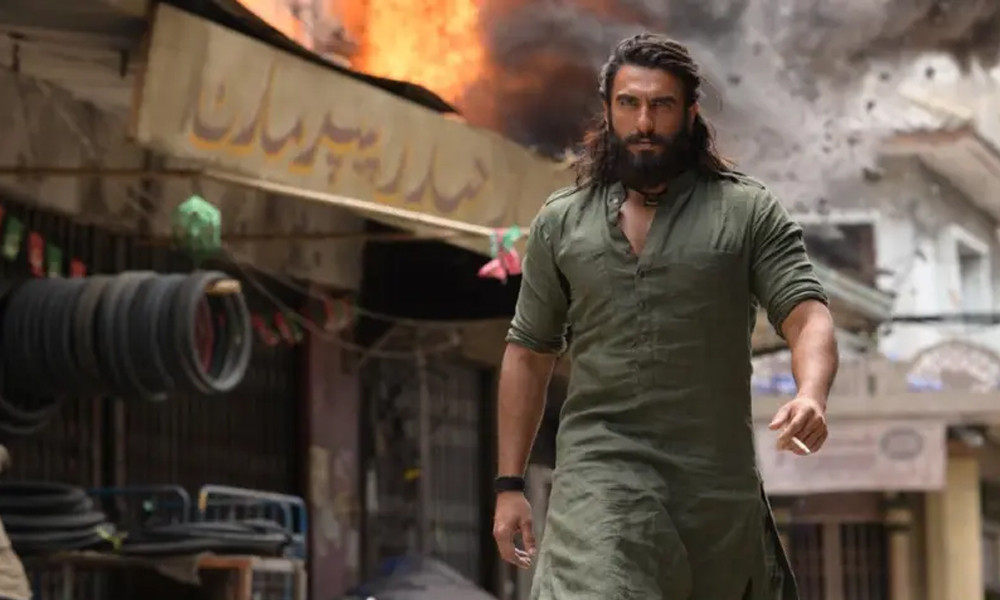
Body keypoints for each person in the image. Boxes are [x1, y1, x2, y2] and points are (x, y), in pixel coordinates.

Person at [492, 33, 838, 600]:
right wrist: (509, 483)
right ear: (608, 111)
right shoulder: (563, 221)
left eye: (662, 105)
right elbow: (529, 352)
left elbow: (806, 314)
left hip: (714, 492)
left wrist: (812, 393)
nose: (644, 123)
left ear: (690, 113)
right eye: (629, 104)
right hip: (600, 475)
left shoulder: (745, 211)